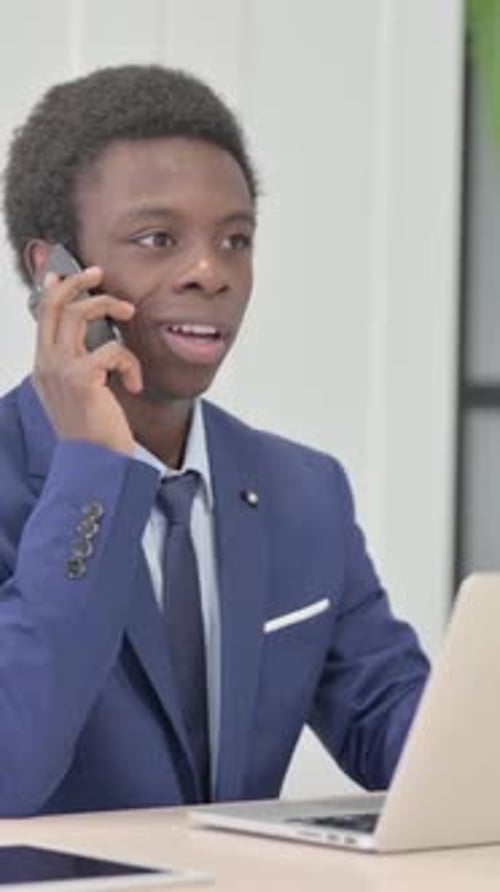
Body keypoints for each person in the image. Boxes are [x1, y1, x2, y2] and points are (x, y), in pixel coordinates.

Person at [0, 64, 429, 817]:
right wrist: (93, 473)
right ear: (53, 272)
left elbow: (396, 728)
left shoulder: (304, 492)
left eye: (235, 239)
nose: (211, 272)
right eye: (157, 238)